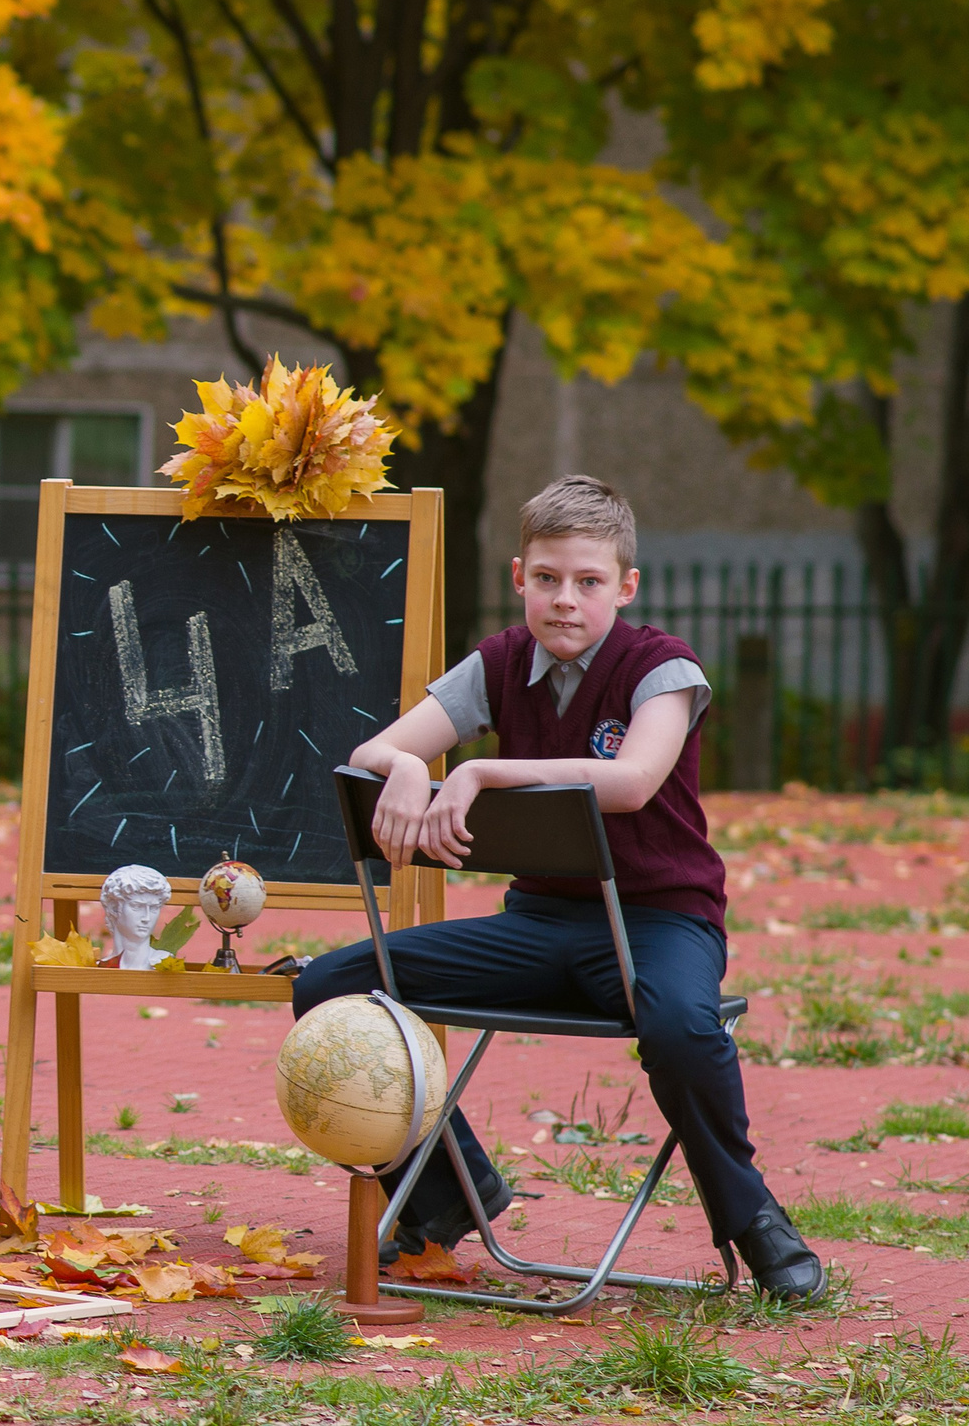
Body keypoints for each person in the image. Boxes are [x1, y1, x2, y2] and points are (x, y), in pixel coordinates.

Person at [299, 474, 822, 1299]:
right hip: (540, 926)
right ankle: (450, 1193)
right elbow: (373, 752)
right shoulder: (503, 661)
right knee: (330, 986)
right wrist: (404, 764)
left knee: (683, 1031)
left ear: (626, 586)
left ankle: (753, 1220)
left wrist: (481, 774)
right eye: (547, 579)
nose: (566, 600)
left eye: (588, 581)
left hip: (660, 925)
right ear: (520, 579)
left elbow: (633, 780)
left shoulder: (664, 669)